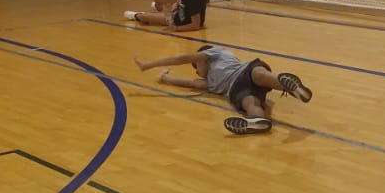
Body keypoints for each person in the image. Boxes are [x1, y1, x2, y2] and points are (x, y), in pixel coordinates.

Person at [134, 45, 313, 134]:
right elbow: (190, 83)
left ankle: (291, 86)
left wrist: (149, 65)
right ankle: (257, 121)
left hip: (245, 71)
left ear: (203, 57)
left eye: (195, 65)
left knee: (260, 74)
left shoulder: (217, 53)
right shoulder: (210, 83)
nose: (196, 71)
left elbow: (181, 58)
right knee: (250, 102)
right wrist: (166, 78)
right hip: (235, 90)